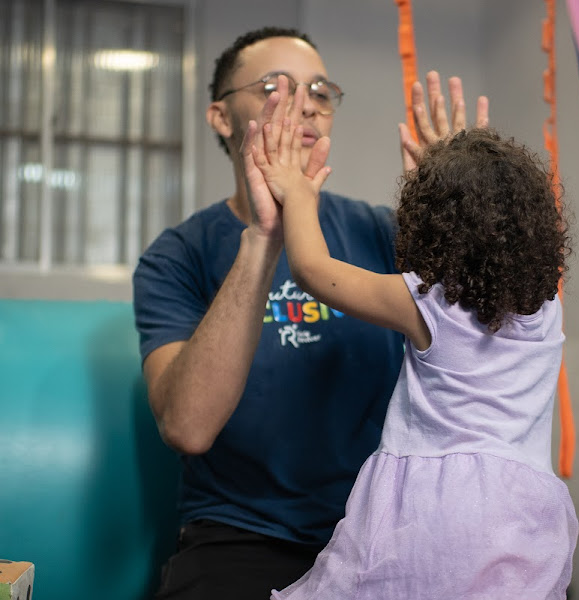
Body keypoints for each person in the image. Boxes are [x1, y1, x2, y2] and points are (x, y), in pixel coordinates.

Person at [132, 25, 488, 599]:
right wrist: (263, 239)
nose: (305, 105)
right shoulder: (178, 255)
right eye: (275, 86)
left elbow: (487, 341)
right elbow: (188, 426)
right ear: (221, 117)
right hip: (241, 539)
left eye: (320, 91)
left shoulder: (380, 232)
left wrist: (455, 206)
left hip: (382, 532)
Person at [245, 101, 578, 598]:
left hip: (433, 509)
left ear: (430, 226)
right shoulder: (548, 307)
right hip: (521, 510)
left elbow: (312, 269)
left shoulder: (426, 303)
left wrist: (297, 193)